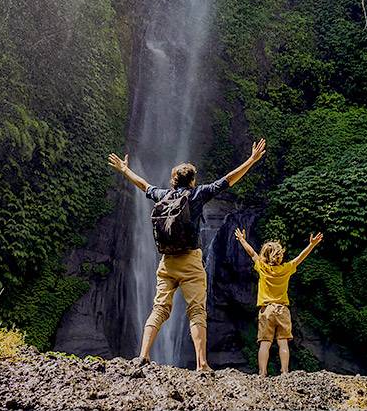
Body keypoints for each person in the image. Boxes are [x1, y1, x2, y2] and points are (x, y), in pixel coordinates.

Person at [107, 138, 266, 372]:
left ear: (173, 181)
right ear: (192, 180)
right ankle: (202, 363)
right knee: (197, 311)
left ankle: (143, 355)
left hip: (167, 261)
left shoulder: (164, 195)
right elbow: (227, 181)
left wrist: (124, 169)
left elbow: (144, 185)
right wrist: (251, 160)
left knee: (159, 308)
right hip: (191, 261)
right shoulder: (198, 194)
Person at [233, 227, 324, 376]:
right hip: (282, 309)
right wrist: (312, 244)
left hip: (266, 310)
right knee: (283, 342)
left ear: (265, 255)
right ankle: (285, 371)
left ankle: (262, 372)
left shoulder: (262, 267)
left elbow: (251, 253)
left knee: (265, 343)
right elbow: (300, 258)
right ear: (280, 256)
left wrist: (242, 239)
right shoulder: (286, 268)